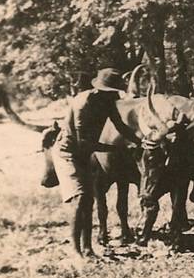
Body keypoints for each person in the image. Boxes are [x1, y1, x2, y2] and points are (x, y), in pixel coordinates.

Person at [51, 67, 142, 261]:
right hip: (68, 153)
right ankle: (76, 252)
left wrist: (139, 141)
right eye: (110, 92)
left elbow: (121, 126)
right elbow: (84, 142)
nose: (112, 96)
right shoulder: (83, 103)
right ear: (98, 89)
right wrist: (116, 149)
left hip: (84, 154)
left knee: (89, 201)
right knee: (80, 199)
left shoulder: (108, 101)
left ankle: (88, 250)